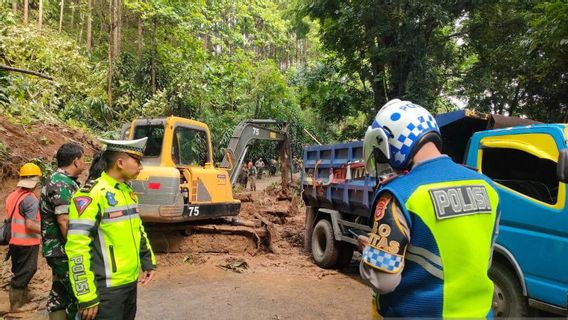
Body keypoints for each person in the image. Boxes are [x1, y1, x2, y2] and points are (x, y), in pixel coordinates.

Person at [359, 99, 500, 318]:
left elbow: (382, 281)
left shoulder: (400, 194)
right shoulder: (487, 187)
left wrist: (371, 252)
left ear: (394, 140)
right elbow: (483, 255)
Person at [65, 138, 157, 320]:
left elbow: (138, 230)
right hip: (106, 289)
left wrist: (148, 261)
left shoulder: (127, 193)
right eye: (137, 161)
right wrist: (86, 296)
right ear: (120, 163)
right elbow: (77, 247)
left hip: (129, 284)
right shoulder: (91, 195)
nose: (141, 167)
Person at [40, 143, 86, 320]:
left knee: (59, 293)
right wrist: (77, 247)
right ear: (75, 161)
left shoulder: (62, 181)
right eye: (83, 159)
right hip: (62, 249)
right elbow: (63, 220)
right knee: (77, 293)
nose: (84, 163)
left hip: (57, 250)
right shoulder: (61, 183)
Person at [4, 163, 42, 313]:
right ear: (36, 180)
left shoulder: (13, 196)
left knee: (19, 270)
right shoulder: (30, 199)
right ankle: (17, 306)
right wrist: (46, 231)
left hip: (14, 241)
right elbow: (30, 225)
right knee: (27, 271)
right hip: (27, 242)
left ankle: (22, 297)